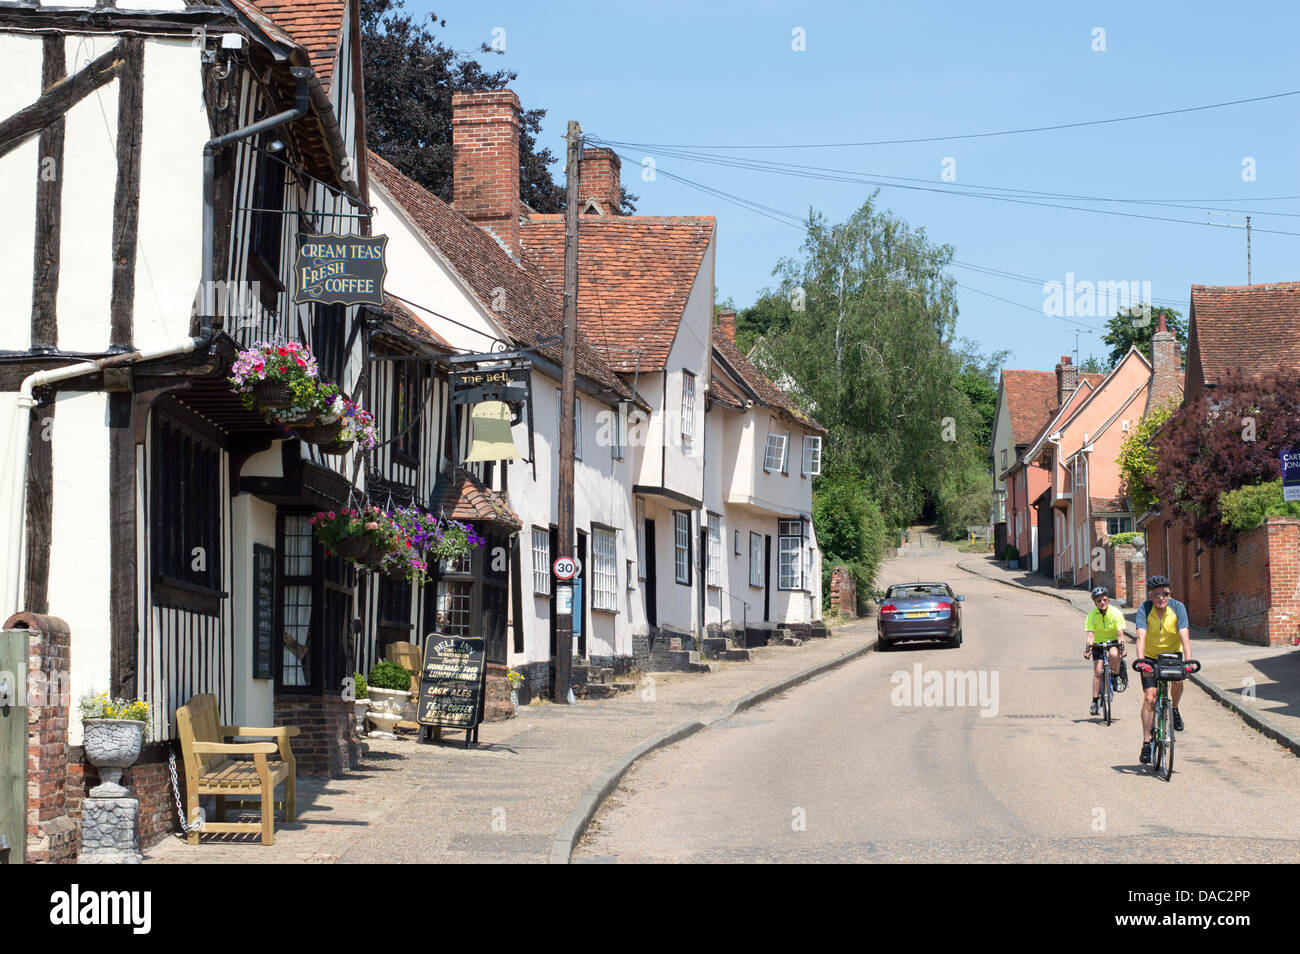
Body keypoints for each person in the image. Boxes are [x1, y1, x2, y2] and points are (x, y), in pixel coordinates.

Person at [1134, 575, 1192, 764]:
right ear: (1150, 595)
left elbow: (1184, 635)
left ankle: (1173, 708)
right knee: (1150, 698)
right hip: (1150, 657)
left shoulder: (1178, 608)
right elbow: (1140, 636)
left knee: (1178, 681)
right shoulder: (1144, 608)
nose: (1161, 598)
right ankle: (1146, 743)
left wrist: (1189, 662)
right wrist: (1141, 661)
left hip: (1172, 655)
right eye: (1157, 594)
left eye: (1165, 594)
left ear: (1169, 593)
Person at [1084, 585, 1127, 715]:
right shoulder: (1091, 615)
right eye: (1099, 601)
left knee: (1114, 654)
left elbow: (1120, 634)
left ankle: (1116, 675)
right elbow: (1090, 635)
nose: (1102, 603)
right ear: (1095, 602)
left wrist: (1123, 649)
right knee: (1097, 672)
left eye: (1105, 600)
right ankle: (1095, 702)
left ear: (1108, 600)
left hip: (1113, 641)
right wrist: (1088, 650)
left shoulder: (1116, 613)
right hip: (1097, 643)